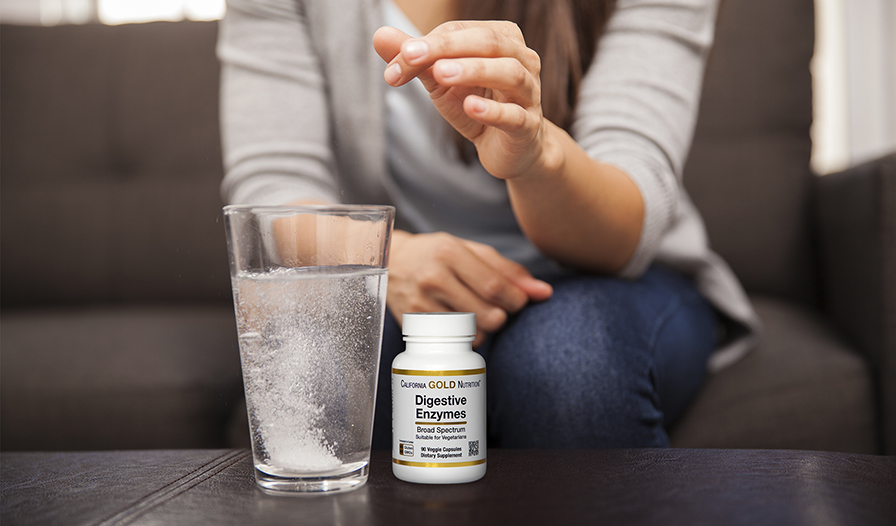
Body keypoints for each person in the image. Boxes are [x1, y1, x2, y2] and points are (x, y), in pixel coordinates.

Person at [218, 0, 761, 448]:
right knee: (314, 369)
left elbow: (624, 227)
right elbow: (271, 187)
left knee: (571, 365)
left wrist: (536, 157)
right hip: (395, 278)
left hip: (613, 276)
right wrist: (387, 258)